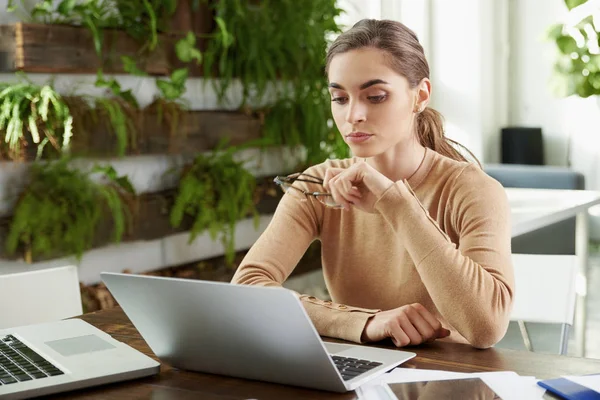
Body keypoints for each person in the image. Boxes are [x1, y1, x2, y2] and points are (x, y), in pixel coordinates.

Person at [231, 19, 513, 349]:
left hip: (453, 380)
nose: (353, 115)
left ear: (420, 95)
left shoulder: (472, 190)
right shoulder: (320, 183)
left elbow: (487, 328)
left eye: (375, 96)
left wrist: (396, 204)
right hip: (359, 376)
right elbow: (247, 286)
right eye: (339, 98)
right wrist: (362, 322)